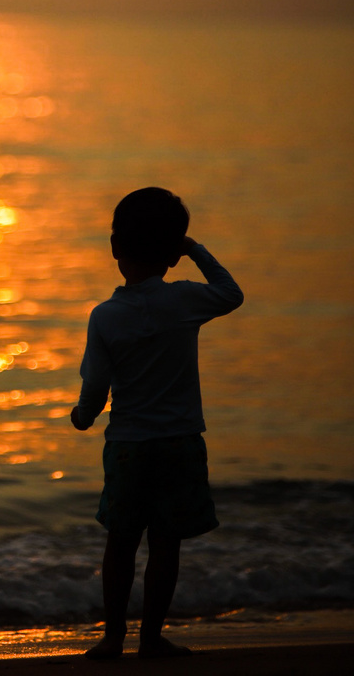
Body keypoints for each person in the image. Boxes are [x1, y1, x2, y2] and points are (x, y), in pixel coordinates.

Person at [71, 187, 243, 660]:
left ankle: (112, 638)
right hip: (180, 443)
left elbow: (96, 386)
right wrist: (193, 248)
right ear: (172, 253)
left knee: (121, 544)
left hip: (128, 446)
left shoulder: (105, 316)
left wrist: (82, 417)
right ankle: (151, 640)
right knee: (166, 545)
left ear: (114, 248)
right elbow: (232, 294)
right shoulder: (185, 301)